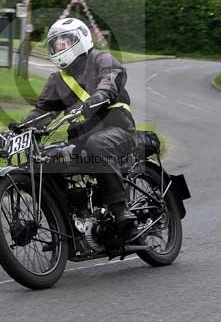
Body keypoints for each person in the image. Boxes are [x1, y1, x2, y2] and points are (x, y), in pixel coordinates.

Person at [13, 18, 138, 234]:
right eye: (55, 45)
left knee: (98, 144)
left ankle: (120, 210)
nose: (59, 48)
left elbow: (110, 79)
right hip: (81, 140)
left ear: (80, 38)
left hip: (117, 130)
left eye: (64, 43)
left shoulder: (102, 59)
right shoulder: (57, 80)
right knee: (48, 159)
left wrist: (99, 96)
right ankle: (70, 217)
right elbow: (43, 110)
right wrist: (20, 128)